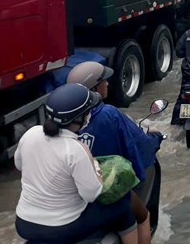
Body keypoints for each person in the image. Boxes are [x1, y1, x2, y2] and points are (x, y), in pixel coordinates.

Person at [15, 83, 138, 244]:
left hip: (24, 223)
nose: (89, 115)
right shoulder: (76, 149)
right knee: (124, 208)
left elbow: (19, 165)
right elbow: (91, 194)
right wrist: (95, 169)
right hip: (60, 228)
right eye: (87, 112)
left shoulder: (31, 134)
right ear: (79, 118)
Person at [67, 62, 163, 244]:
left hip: (76, 199)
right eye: (104, 80)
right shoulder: (108, 114)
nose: (108, 83)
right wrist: (156, 139)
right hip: (109, 189)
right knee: (143, 218)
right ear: (94, 88)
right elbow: (140, 148)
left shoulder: (62, 123)